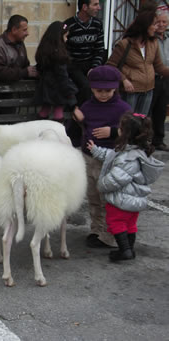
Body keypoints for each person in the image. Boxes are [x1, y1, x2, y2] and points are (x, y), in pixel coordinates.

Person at [87, 113, 165, 261]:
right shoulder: (136, 152)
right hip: (134, 199)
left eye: (121, 128)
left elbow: (115, 178)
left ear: (127, 133)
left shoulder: (128, 158)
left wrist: (101, 186)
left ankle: (124, 251)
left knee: (116, 223)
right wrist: (96, 150)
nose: (118, 130)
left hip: (121, 200)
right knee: (130, 225)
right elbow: (112, 156)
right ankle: (129, 249)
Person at [73, 65, 132, 248]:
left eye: (108, 90)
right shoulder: (87, 106)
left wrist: (113, 132)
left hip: (111, 160)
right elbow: (76, 133)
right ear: (92, 88)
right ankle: (96, 230)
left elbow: (134, 132)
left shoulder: (123, 108)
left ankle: (111, 234)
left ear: (115, 88)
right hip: (89, 158)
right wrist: (77, 120)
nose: (104, 94)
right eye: (99, 91)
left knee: (108, 198)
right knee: (93, 197)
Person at [107, 2, 169, 116]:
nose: (157, 27)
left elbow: (159, 67)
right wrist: (124, 80)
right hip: (130, 91)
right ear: (146, 25)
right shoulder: (125, 44)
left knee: (142, 122)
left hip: (148, 90)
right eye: (154, 24)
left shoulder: (153, 43)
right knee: (128, 122)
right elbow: (110, 65)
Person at [34, 21, 78, 122]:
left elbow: (39, 68)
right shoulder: (59, 55)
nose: (66, 40)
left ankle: (40, 127)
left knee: (45, 109)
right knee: (58, 110)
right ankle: (56, 131)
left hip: (45, 88)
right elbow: (62, 75)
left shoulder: (44, 51)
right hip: (57, 89)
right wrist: (69, 91)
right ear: (59, 37)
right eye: (65, 36)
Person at [64, 0, 104, 105]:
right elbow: (63, 51)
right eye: (95, 5)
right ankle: (80, 114)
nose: (99, 8)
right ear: (85, 7)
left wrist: (94, 67)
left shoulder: (97, 24)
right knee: (85, 86)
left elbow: (99, 50)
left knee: (106, 84)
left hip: (91, 64)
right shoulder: (68, 25)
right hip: (73, 65)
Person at [0, 14, 37, 81]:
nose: (27, 33)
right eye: (24, 30)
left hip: (14, 88)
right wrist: (24, 72)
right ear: (14, 30)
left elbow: (25, 66)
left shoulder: (20, 43)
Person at [148, 10, 169, 151]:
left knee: (161, 109)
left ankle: (158, 139)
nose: (161, 25)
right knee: (148, 110)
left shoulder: (168, 38)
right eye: (158, 22)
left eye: (164, 22)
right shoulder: (149, 38)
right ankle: (146, 139)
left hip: (166, 78)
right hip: (152, 77)